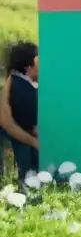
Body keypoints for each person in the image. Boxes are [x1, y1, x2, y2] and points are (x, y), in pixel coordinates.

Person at [0, 41, 40, 182]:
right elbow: (27, 120)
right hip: (20, 138)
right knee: (27, 174)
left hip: (22, 136)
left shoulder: (17, 82)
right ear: (28, 66)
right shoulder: (22, 89)